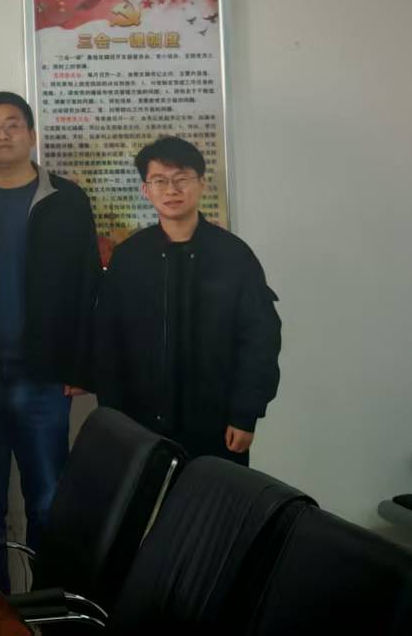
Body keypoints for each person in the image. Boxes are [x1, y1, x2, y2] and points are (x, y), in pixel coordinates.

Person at [0, 91, 101, 589]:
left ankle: (49, 606)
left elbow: (87, 283)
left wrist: (80, 364)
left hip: (44, 374)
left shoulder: (67, 198)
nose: (2, 134)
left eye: (12, 124)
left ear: (31, 133)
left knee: (48, 499)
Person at [94, 136, 280, 465]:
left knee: (215, 496)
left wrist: (245, 413)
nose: (172, 190)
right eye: (160, 181)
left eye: (182, 179)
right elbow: (108, 341)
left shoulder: (233, 256)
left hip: (216, 421)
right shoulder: (129, 257)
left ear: (201, 184)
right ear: (145, 190)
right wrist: (113, 417)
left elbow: (259, 340)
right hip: (139, 420)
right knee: (145, 497)